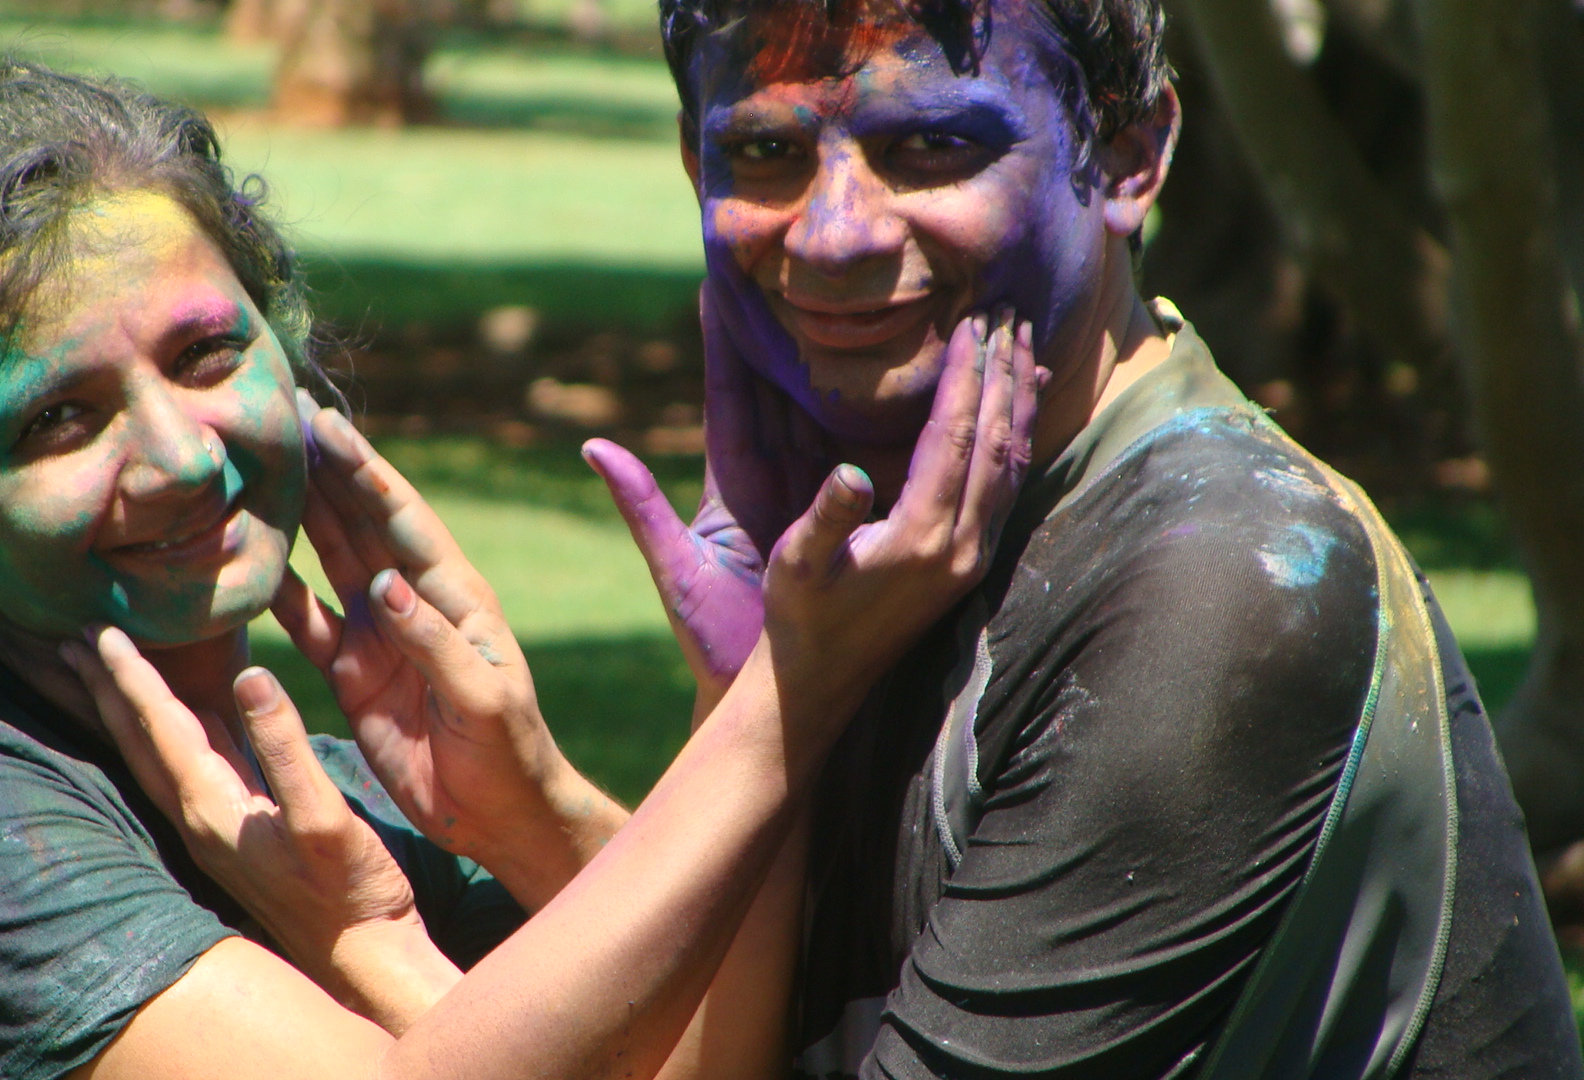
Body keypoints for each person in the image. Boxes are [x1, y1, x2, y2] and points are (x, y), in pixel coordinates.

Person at [0, 62, 1044, 1080]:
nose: (183, 459)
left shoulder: (355, 800)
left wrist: (528, 806)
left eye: (203, 356)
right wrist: (783, 708)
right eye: (58, 420)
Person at [567, 0, 1584, 1076]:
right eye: (764, 151)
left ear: (1131, 154)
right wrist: (749, 702)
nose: (834, 234)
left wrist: (383, 955)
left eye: (930, 147)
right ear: (693, 163)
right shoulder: (884, 565)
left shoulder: (1222, 590)